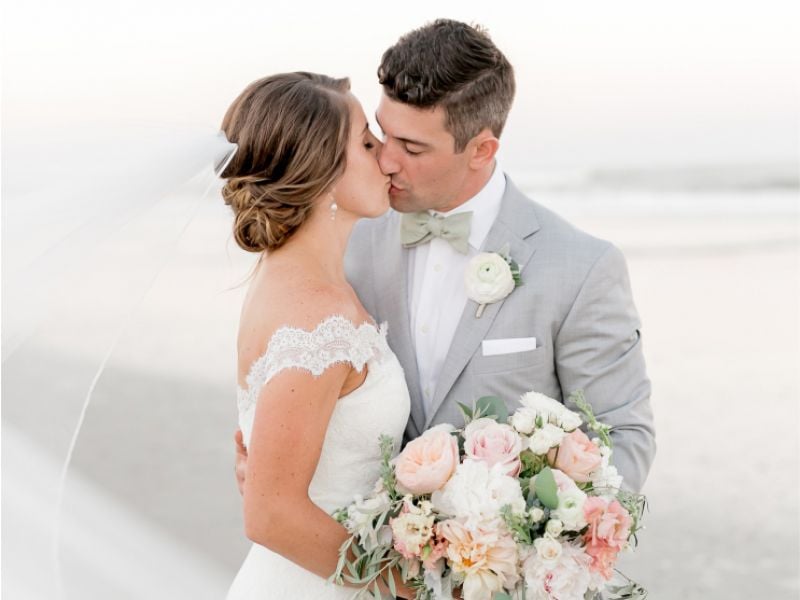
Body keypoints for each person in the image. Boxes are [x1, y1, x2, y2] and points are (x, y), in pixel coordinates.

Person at [236, 19, 655, 496]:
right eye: (382, 134)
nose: (387, 160)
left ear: (481, 150)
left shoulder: (581, 269)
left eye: (412, 147)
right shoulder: (345, 238)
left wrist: (535, 543)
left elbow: (622, 436)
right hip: (361, 559)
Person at [221, 72, 414, 599]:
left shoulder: (291, 278)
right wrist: (414, 588)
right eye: (367, 143)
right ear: (322, 168)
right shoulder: (317, 315)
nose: (386, 158)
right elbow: (270, 515)